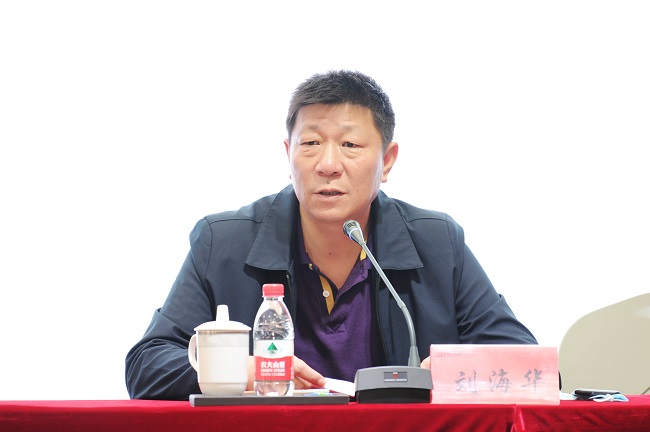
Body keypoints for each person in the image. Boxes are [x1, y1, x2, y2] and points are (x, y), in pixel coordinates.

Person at [125, 70, 537, 400]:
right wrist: (241, 372)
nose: (327, 164)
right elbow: (147, 364)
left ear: (387, 161)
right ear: (288, 155)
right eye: (310, 143)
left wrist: (455, 370)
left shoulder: (437, 243)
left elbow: (527, 363)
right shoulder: (224, 243)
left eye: (350, 145)